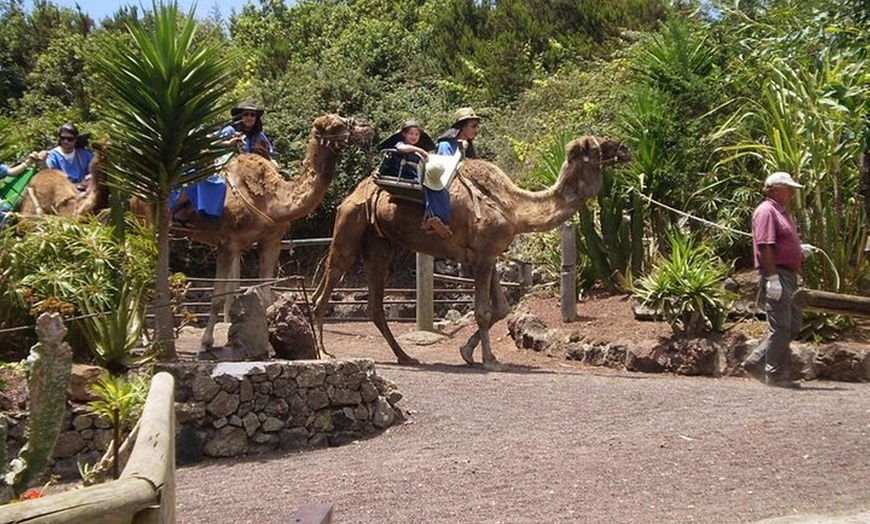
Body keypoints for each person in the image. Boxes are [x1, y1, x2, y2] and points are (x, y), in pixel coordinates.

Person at [742, 171, 811, 389]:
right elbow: (765, 246)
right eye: (788, 188)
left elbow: (779, 243)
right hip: (777, 273)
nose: (792, 193)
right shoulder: (766, 211)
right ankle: (775, 374)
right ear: (774, 189)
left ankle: (757, 361)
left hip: (787, 274)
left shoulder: (779, 212)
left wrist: (798, 251)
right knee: (781, 325)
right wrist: (772, 278)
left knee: (791, 325)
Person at [422, 107, 483, 236]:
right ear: (462, 126)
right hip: (449, 184)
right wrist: (460, 152)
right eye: (473, 126)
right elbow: (446, 170)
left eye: (476, 126)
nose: (475, 130)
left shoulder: (468, 145)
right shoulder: (446, 145)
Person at [44, 123, 93, 189]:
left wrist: (90, 177)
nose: (65, 141)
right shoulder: (53, 156)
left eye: (70, 139)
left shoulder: (84, 154)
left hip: (83, 192)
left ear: (76, 140)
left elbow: (93, 171)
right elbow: (49, 174)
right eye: (62, 138)